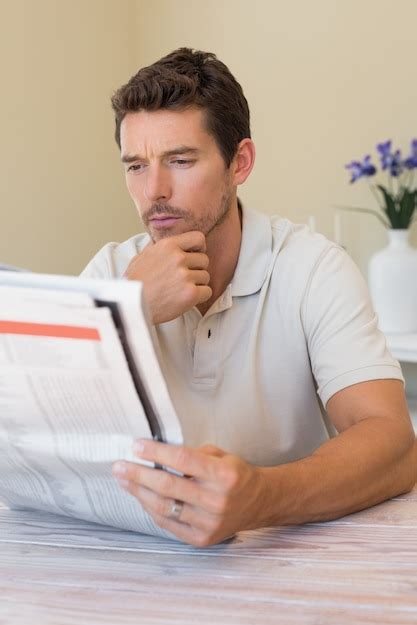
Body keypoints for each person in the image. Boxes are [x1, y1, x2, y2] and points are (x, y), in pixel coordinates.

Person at [81, 48, 416, 547]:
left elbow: (394, 445)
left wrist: (260, 496)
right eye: (135, 166)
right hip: (136, 560)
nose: (154, 191)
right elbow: (31, 432)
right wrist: (128, 309)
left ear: (240, 162)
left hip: (284, 558)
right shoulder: (110, 273)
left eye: (180, 160)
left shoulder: (314, 269)